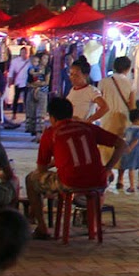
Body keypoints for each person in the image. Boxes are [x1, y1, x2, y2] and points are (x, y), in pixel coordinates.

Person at [26, 97, 123, 240]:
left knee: (31, 179)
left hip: (70, 182)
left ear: (52, 117)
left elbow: (41, 169)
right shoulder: (87, 127)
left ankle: (42, 228)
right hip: (99, 180)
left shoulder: (51, 133)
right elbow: (121, 144)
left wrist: (54, 167)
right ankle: (91, 223)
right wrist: (108, 168)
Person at [65, 57, 107, 123]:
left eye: (76, 75)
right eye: (71, 74)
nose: (72, 78)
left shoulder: (91, 91)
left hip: (84, 129)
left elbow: (105, 107)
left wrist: (88, 120)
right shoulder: (72, 90)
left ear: (85, 75)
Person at [23, 51, 49, 137]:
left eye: (47, 59)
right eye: (44, 58)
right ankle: (33, 132)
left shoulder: (47, 69)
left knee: (40, 114)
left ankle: (39, 133)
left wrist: (35, 85)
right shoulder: (32, 68)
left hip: (42, 92)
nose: (46, 60)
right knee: (31, 112)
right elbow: (28, 82)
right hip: (32, 92)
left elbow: (46, 82)